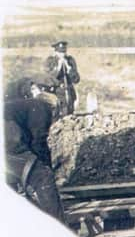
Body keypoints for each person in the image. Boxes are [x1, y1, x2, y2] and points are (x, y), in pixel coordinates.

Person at [4, 78, 65, 223]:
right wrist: (46, 167)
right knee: (43, 177)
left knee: (11, 180)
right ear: (54, 106)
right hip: (7, 136)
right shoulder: (42, 108)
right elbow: (39, 142)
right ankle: (60, 230)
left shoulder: (23, 107)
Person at [44, 40, 80, 117]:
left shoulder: (70, 60)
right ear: (56, 52)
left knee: (70, 110)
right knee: (60, 111)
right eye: (60, 53)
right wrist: (58, 67)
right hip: (57, 90)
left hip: (69, 89)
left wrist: (70, 69)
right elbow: (49, 77)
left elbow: (76, 79)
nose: (62, 55)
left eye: (64, 52)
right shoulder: (50, 60)